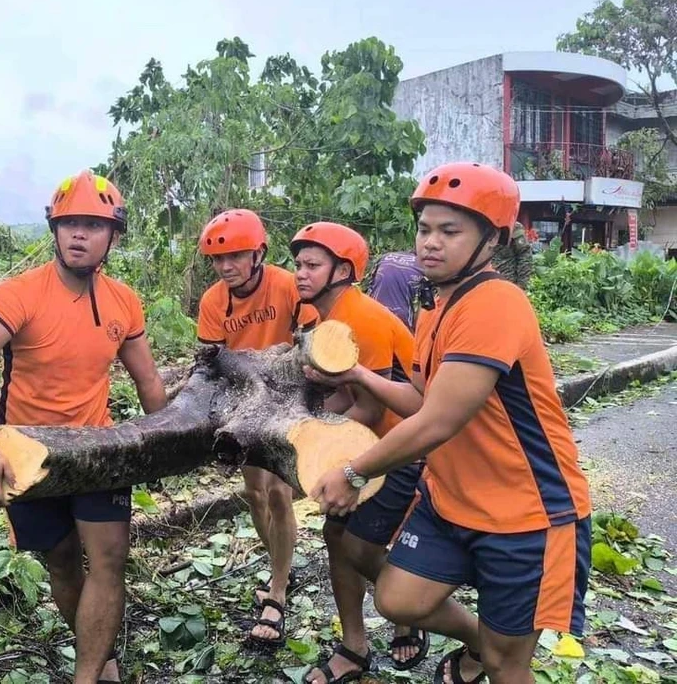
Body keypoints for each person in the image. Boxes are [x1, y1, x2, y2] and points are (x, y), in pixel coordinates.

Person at [312, 163, 592, 684]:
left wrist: (354, 472)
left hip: (526, 516)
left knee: (511, 668)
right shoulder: (436, 306)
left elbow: (438, 421)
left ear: (493, 239)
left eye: (449, 231)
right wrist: (356, 373)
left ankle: (494, 654)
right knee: (398, 598)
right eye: (424, 229)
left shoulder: (496, 303)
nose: (430, 243)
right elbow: (421, 398)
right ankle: (482, 645)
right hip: (453, 502)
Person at [0, 171, 167, 684]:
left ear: (113, 235)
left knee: (108, 562)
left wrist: (167, 444)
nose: (79, 234)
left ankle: (88, 675)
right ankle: (100, 655)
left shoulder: (124, 302)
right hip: (27, 452)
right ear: (54, 230)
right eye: (69, 224)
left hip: (99, 450)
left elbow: (149, 381)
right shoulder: (21, 294)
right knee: (63, 562)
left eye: (92, 224)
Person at [289, 222, 428, 682]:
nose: (300, 274)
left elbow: (368, 409)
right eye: (298, 264)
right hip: (356, 446)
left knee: (361, 548)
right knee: (335, 538)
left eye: (312, 265)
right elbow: (340, 400)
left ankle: (411, 610)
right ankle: (354, 644)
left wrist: (308, 439)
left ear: (343, 270)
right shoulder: (320, 320)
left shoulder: (361, 317)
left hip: (398, 449)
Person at [195, 207, 319, 648]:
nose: (226, 267)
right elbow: (211, 361)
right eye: (218, 260)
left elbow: (310, 340)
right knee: (254, 493)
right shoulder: (214, 302)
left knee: (279, 492)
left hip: (286, 397)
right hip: (244, 404)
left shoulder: (287, 285)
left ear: (258, 254)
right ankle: (278, 565)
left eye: (236, 257)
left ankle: (279, 591)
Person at [366, 250, 426, 333]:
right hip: (402, 324)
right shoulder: (425, 267)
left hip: (373, 315)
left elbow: (370, 287)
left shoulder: (385, 256)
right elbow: (425, 308)